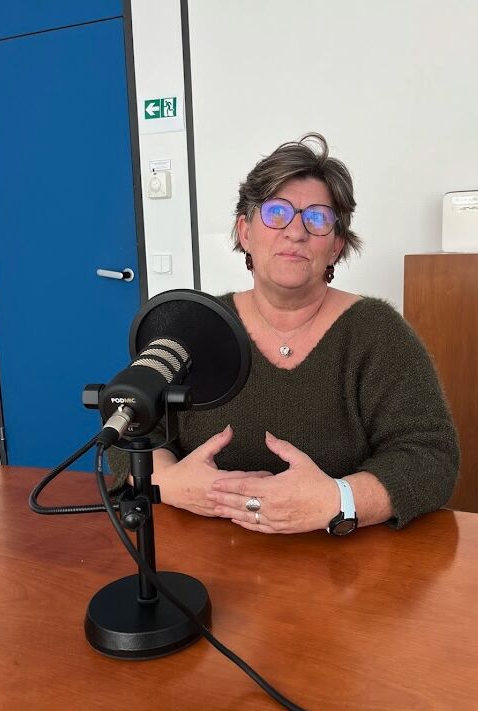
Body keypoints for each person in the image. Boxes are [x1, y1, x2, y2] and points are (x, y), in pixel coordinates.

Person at [109, 133, 459, 534]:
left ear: (336, 246)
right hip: (202, 549)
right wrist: (168, 482)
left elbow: (431, 456)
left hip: (342, 554)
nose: (295, 232)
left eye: (317, 218)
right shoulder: (194, 327)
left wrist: (338, 500)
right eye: (277, 213)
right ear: (245, 232)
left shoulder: (377, 332)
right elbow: (127, 426)